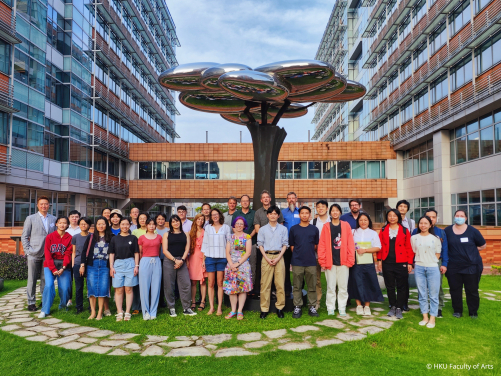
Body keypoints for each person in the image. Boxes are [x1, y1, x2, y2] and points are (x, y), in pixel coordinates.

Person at [445, 209, 486, 319]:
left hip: (471, 266)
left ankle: (473, 312)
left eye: (461, 215)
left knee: (472, 290)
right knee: (455, 290)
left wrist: (472, 249)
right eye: (457, 215)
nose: (459, 217)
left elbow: (483, 245)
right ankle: (457, 311)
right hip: (453, 266)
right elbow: (444, 246)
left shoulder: (473, 231)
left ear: (466, 218)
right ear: (454, 217)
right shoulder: (447, 231)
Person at [317, 204, 355, 316]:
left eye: (337, 210)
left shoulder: (346, 225)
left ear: (340, 213)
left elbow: (350, 244)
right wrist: (322, 261)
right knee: (330, 286)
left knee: (343, 287)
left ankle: (342, 307)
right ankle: (330, 307)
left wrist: (350, 259)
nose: (335, 212)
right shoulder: (326, 226)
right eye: (333, 211)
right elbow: (322, 245)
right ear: (330, 213)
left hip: (344, 262)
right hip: (330, 262)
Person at [411, 209, 449, 317]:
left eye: (433, 217)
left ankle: (438, 308)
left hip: (435, 262)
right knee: (422, 287)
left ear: (436, 219)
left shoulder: (440, 232)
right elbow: (413, 248)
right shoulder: (415, 233)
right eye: (429, 217)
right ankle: (424, 309)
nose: (431, 219)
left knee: (437, 287)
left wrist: (444, 264)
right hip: (420, 262)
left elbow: (444, 249)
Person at [22, 195, 56, 311]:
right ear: (37, 205)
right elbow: (24, 236)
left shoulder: (53, 219)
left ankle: (44, 300)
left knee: (45, 279)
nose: (44, 206)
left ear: (49, 205)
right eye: (41, 204)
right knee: (31, 279)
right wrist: (28, 251)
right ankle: (31, 302)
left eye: (46, 204)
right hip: (34, 253)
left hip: (48, 255)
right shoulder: (30, 218)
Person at [377, 209, 413, 319]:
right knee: (390, 286)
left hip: (401, 261)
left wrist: (410, 263)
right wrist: (379, 260)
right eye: (390, 215)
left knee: (401, 286)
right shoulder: (383, 230)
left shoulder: (404, 230)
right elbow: (380, 246)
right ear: (387, 217)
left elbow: (409, 247)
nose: (392, 217)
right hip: (387, 261)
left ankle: (399, 307)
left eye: (394, 216)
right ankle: (392, 305)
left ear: (398, 217)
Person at [348, 213, 384, 316]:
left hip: (368, 261)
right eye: (361, 220)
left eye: (365, 220)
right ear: (358, 221)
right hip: (355, 261)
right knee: (356, 281)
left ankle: (367, 306)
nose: (363, 222)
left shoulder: (373, 233)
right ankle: (359, 305)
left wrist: (365, 250)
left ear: (369, 221)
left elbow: (378, 247)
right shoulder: (353, 232)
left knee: (369, 281)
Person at [257, 205, 288, 319]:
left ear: (278, 216)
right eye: (271, 214)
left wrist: (278, 257)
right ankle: (264, 309)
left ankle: (280, 307)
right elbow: (260, 244)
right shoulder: (262, 229)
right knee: (265, 284)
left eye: (275, 214)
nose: (273, 215)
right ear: (267, 215)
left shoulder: (283, 229)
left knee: (280, 284)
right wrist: (266, 257)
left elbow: (285, 244)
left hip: (279, 257)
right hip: (266, 257)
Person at [38, 216, 72, 318]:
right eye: (60, 222)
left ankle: (62, 305)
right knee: (48, 285)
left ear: (67, 225)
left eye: (65, 223)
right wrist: (53, 269)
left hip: (64, 265)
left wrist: (63, 267)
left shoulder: (70, 237)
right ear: (56, 224)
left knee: (65, 288)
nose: (62, 225)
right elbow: (47, 254)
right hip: (49, 265)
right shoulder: (50, 237)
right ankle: (45, 310)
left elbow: (68, 254)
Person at [162, 214, 197, 317]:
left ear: (180, 222)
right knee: (169, 285)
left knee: (186, 284)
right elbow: (165, 250)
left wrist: (181, 260)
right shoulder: (166, 234)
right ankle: (171, 308)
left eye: (177, 221)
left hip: (182, 261)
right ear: (170, 223)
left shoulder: (186, 234)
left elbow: (187, 249)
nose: (176, 223)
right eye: (173, 222)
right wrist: (175, 260)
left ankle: (186, 308)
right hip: (169, 261)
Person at [289, 206, 320, 319]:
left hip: (311, 261)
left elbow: (315, 245)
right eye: (302, 213)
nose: (305, 215)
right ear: (300, 215)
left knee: (312, 285)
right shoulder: (293, 229)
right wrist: (299, 254)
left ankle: (312, 306)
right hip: (297, 261)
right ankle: (297, 306)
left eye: (307, 213)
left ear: (309, 215)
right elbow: (292, 246)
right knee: (297, 286)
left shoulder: (314, 229)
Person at [254, 190, 284, 299]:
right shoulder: (258, 212)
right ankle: (263, 300)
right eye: (264, 197)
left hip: (277, 249)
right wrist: (267, 234)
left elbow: (280, 228)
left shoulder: (277, 211)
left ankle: (276, 295)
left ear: (270, 199)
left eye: (268, 197)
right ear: (261, 200)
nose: (266, 199)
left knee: (279, 279)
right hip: (264, 248)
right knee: (264, 277)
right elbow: (257, 229)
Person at [81, 216, 112, 320]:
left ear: (106, 225)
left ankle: (100, 313)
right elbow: (84, 252)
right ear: (95, 226)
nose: (101, 226)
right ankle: (93, 312)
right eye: (98, 224)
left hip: (105, 265)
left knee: (103, 288)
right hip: (92, 264)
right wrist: (82, 265)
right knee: (92, 287)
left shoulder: (111, 237)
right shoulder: (91, 237)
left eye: (103, 224)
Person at [201, 208, 231, 316]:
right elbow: (205, 244)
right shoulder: (207, 228)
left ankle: (219, 307)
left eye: (216, 214)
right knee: (211, 283)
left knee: (219, 283)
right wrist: (203, 259)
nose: (215, 216)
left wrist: (229, 258)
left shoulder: (226, 227)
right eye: (213, 215)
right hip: (210, 258)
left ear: (220, 215)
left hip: (222, 258)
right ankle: (211, 307)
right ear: (210, 216)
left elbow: (229, 243)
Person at [109, 217, 140, 322]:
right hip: (118, 264)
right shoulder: (114, 238)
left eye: (127, 224)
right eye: (122, 224)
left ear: (129, 225)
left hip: (130, 264)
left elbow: (136, 253)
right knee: (119, 289)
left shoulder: (133, 238)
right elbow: (111, 253)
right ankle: (119, 311)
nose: (124, 226)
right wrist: (111, 267)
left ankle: (127, 311)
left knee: (128, 289)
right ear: (120, 225)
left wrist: (136, 266)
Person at [223, 216, 253, 320]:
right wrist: (231, 264)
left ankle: (240, 311)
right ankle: (233, 310)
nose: (239, 225)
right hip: (231, 266)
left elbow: (248, 252)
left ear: (244, 226)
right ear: (234, 225)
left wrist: (237, 264)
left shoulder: (247, 237)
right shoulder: (230, 237)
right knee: (232, 289)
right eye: (237, 223)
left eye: (241, 224)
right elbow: (227, 252)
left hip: (243, 266)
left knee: (242, 289)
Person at [232, 195, 257, 297]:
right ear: (240, 202)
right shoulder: (236, 213)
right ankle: (238, 287)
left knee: (251, 266)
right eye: (243, 201)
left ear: (249, 202)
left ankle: (250, 289)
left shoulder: (254, 213)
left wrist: (247, 238)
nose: (245, 202)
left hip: (252, 243)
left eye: (247, 201)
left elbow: (256, 227)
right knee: (238, 265)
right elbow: (233, 227)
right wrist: (241, 238)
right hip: (238, 245)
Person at [138, 218, 163, 320]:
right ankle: (145, 312)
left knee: (156, 287)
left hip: (156, 261)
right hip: (145, 261)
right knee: (144, 287)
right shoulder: (141, 238)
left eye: (153, 224)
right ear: (146, 225)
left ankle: (153, 311)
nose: (152, 226)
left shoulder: (159, 237)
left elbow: (160, 249)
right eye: (150, 224)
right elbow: (140, 252)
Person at [396, 199, 415, 312]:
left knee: (404, 281)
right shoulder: (391, 219)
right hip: (394, 254)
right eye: (400, 206)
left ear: (407, 209)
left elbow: (411, 238)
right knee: (395, 281)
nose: (402, 208)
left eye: (404, 206)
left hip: (405, 253)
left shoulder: (410, 222)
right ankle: (394, 303)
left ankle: (404, 303)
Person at [310, 200, 329, 310]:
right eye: (318, 207)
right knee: (316, 279)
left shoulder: (333, 221)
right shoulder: (313, 222)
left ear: (327, 208)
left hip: (330, 255)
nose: (320, 208)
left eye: (323, 206)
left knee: (331, 279)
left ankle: (332, 302)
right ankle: (317, 301)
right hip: (315, 255)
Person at [131, 212, 151, 314]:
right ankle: (136, 306)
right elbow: (134, 248)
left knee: (149, 283)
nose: (143, 220)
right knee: (137, 283)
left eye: (145, 218)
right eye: (141, 219)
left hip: (150, 260)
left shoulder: (153, 230)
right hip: (139, 259)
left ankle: (148, 305)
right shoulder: (134, 232)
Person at [71, 217, 92, 314]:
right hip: (78, 263)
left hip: (90, 264)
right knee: (79, 287)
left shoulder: (92, 236)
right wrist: (73, 264)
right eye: (82, 223)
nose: (84, 225)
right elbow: (74, 252)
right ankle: (79, 307)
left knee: (89, 286)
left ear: (89, 225)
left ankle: (91, 306)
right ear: (79, 225)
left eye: (86, 223)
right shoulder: (75, 237)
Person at [282, 192, 300, 299]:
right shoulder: (282, 213)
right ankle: (287, 289)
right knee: (285, 267)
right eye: (289, 198)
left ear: (296, 199)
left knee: (299, 268)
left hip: (298, 244)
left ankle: (299, 288)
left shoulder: (301, 212)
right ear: (287, 200)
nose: (292, 200)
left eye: (293, 198)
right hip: (287, 244)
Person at [188, 214, 207, 311]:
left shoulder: (205, 232)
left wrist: (204, 259)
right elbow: (187, 248)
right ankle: (193, 301)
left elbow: (207, 247)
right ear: (195, 220)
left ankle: (203, 301)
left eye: (202, 219)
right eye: (199, 219)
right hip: (193, 258)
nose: (200, 221)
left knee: (202, 281)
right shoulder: (190, 233)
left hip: (202, 258)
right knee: (193, 282)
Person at [65, 209, 81, 308]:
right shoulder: (66, 230)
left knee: (79, 280)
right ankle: (69, 299)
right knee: (69, 279)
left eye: (76, 217)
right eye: (72, 217)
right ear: (69, 218)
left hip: (79, 258)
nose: (74, 219)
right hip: (68, 257)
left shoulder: (82, 229)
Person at [155, 213, 169, 308]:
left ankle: (162, 300)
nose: (161, 221)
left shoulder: (168, 231)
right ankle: (156, 299)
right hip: (155, 258)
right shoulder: (153, 230)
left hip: (166, 259)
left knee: (164, 280)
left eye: (162, 219)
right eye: (159, 219)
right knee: (156, 280)